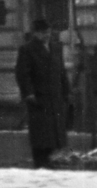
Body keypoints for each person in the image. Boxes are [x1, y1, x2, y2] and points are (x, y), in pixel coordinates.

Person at [15, 18, 71, 168]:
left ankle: (51, 160)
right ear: (35, 33)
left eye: (48, 32)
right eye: (42, 33)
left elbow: (62, 72)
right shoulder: (27, 49)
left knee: (55, 132)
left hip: (55, 96)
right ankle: (40, 163)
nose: (46, 35)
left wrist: (66, 91)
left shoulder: (56, 48)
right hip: (39, 98)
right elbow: (22, 74)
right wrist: (29, 93)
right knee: (41, 134)